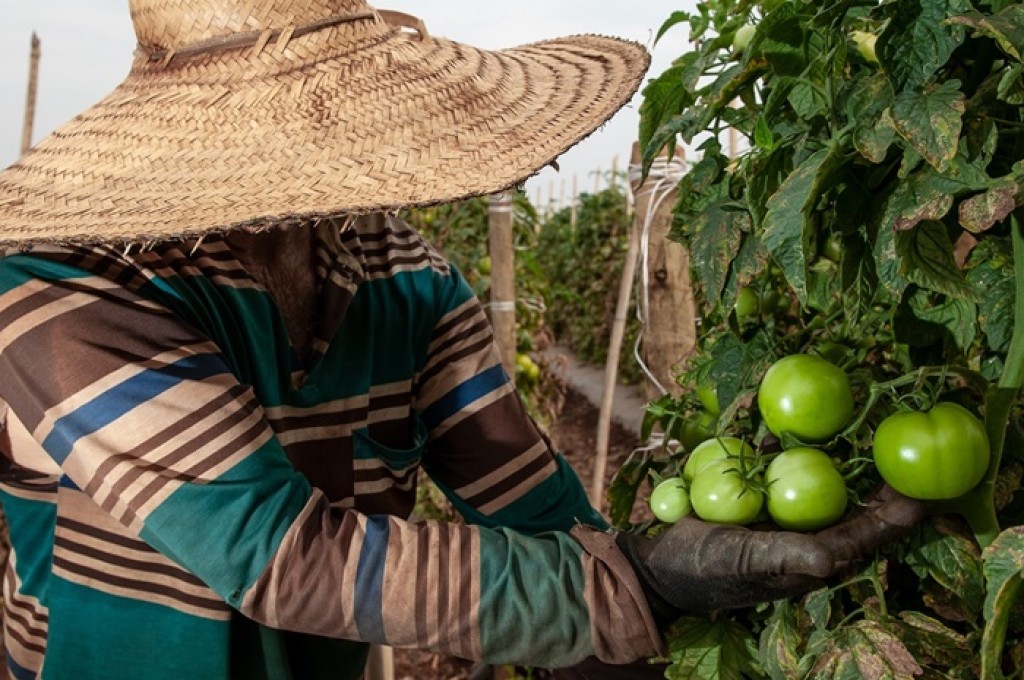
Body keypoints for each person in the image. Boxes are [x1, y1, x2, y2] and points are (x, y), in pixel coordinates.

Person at [0, 1, 925, 678]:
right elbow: (277, 556)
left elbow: (524, 497)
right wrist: (638, 585)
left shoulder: (406, 277)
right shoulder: (61, 288)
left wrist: (634, 616)